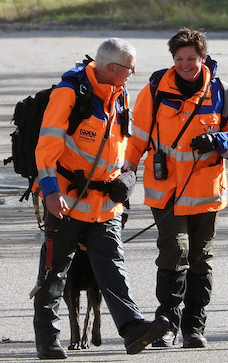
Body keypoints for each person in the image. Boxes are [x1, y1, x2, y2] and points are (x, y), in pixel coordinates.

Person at [33, 38, 170, 360]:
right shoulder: (69, 95)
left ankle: (133, 329)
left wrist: (126, 178)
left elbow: (123, 148)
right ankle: (47, 339)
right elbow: (46, 148)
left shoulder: (119, 94)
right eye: (130, 68)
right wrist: (51, 193)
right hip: (66, 202)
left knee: (112, 268)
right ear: (112, 68)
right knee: (55, 272)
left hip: (105, 206)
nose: (133, 74)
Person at [124, 28, 228, 349]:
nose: (185, 65)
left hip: (207, 195)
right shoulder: (153, 92)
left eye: (191, 59)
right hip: (166, 194)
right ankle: (166, 323)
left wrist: (219, 139)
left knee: (201, 260)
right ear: (173, 59)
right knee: (175, 251)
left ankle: (195, 325)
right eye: (179, 59)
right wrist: (123, 177)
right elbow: (135, 139)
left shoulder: (222, 93)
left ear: (203, 58)